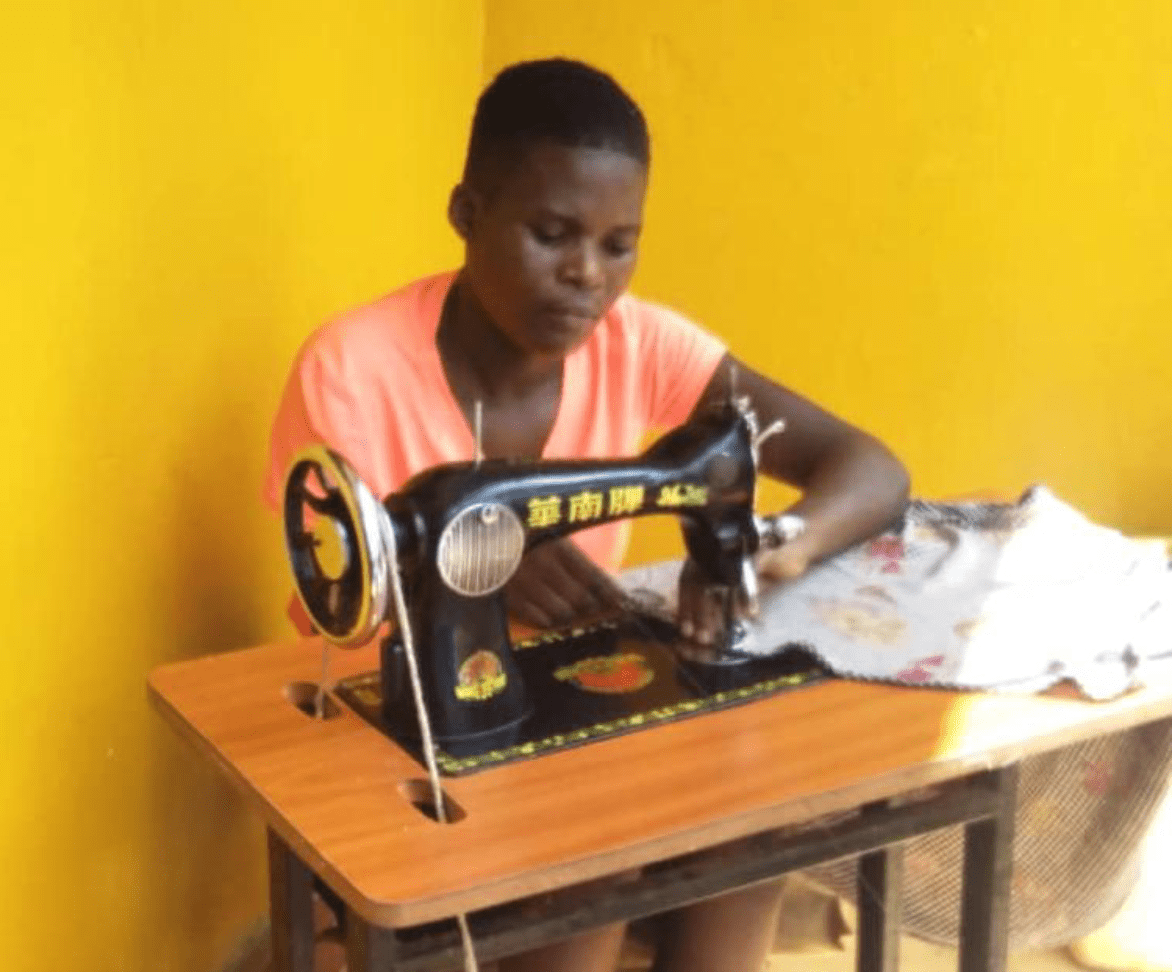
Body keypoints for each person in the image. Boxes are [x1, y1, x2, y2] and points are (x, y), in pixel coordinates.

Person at [264, 58, 909, 972]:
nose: (587, 277)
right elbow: (335, 607)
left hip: (570, 720)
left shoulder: (639, 344)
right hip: (401, 740)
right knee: (590, 880)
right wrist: (465, 574)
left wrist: (765, 550)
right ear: (467, 213)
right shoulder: (350, 368)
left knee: (757, 822)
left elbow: (870, 468)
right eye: (552, 233)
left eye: (618, 244)